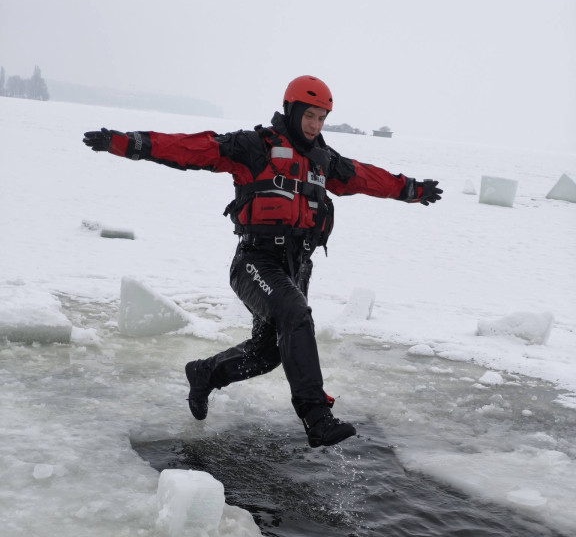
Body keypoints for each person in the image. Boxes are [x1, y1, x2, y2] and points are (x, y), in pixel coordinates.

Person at [83, 75, 442, 448]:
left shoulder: (324, 160)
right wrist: (126, 143)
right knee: (295, 313)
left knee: (268, 353)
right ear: (291, 109)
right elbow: (192, 149)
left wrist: (411, 190)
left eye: (321, 118)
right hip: (255, 260)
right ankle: (316, 415)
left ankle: (205, 374)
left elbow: (367, 177)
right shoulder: (253, 146)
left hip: (296, 267)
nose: (315, 125)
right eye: (309, 116)